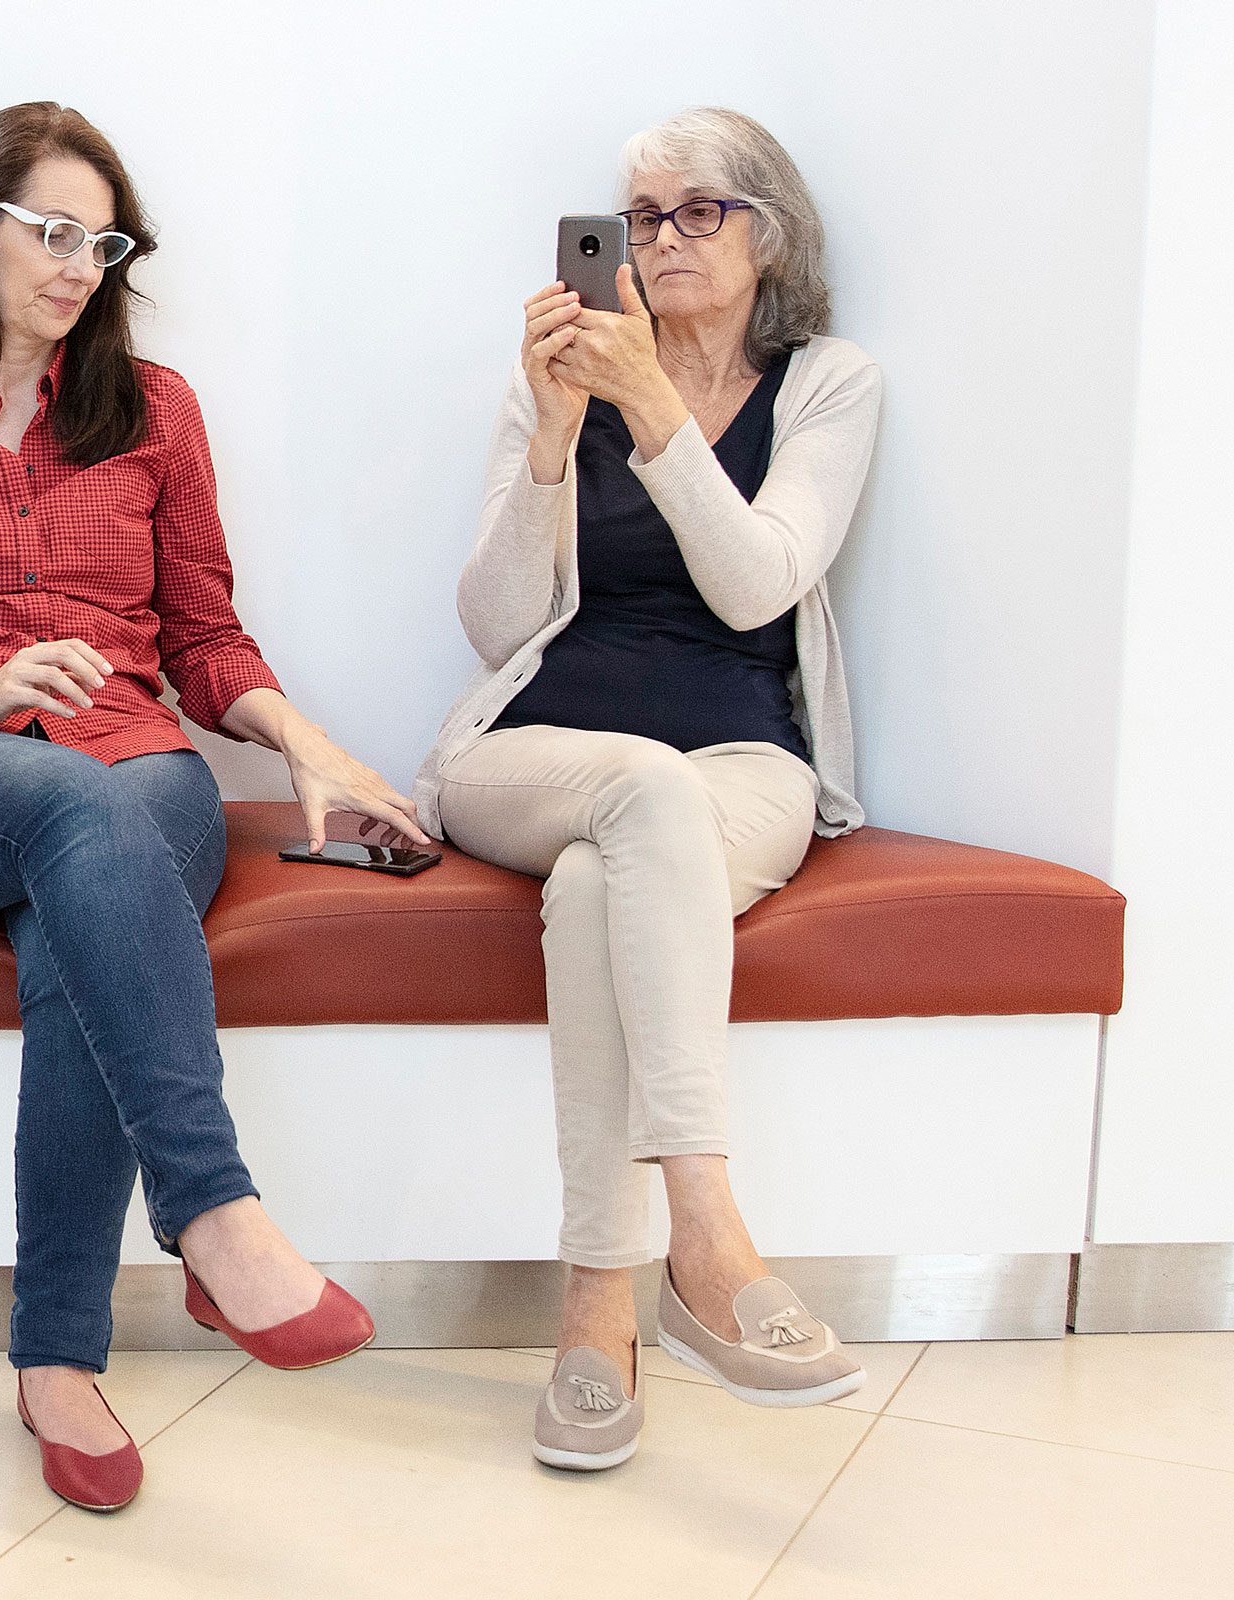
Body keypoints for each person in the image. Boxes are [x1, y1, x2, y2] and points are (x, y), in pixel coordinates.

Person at [0, 101, 428, 1514]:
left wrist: (307, 746)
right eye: (52, 232)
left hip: (133, 762)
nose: (81, 264)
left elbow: (201, 636)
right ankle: (212, 1216)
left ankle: (57, 1362)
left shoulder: (158, 413)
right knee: (80, 813)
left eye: (103, 240)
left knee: (92, 867)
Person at [416, 107, 881, 1471]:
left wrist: (659, 411)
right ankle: (709, 1236)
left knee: (606, 864)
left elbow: (755, 582)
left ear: (768, 234)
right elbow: (499, 628)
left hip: (740, 765)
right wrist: (559, 429)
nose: (663, 238)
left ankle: (597, 1304)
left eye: (697, 212)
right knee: (625, 795)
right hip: (534, 755)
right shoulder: (556, 383)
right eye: (642, 215)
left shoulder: (829, 386)